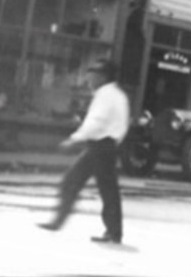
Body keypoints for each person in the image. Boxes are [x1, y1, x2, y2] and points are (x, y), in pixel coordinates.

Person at [37, 58, 130, 244]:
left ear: (103, 77)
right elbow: (122, 126)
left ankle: (61, 222)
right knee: (106, 189)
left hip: (100, 145)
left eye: (93, 75)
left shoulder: (105, 95)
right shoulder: (118, 95)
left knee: (78, 182)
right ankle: (113, 232)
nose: (90, 79)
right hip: (107, 145)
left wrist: (74, 139)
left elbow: (95, 122)